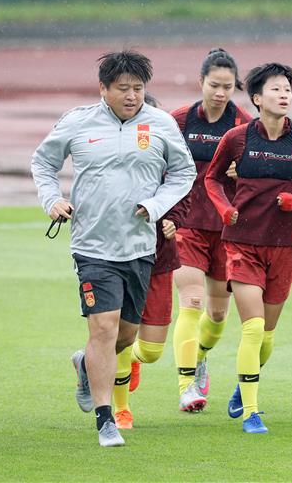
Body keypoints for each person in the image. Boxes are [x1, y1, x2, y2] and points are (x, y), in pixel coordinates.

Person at [31, 51, 196, 447]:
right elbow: (43, 163)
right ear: (103, 89)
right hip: (91, 245)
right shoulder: (78, 121)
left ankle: (85, 364)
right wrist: (52, 200)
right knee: (103, 328)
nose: (132, 96)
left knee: (124, 336)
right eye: (123, 88)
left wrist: (155, 205)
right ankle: (106, 420)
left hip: (139, 247)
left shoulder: (160, 124)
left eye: (138, 88)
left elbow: (184, 172)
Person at [204, 62, 292, 434]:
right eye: (275, 89)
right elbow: (212, 179)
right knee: (253, 327)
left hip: (285, 244)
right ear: (257, 98)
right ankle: (251, 412)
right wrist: (224, 209)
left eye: (287, 89)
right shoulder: (236, 138)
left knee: (267, 335)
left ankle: (244, 385)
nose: (284, 95)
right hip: (242, 243)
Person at [155, 48, 251, 412]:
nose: (220, 93)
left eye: (228, 86)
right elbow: (156, 165)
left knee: (218, 316)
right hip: (186, 225)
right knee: (192, 301)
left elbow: (262, 179)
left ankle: (199, 357)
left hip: (227, 229)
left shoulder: (245, 126)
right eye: (214, 85)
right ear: (201, 82)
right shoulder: (178, 121)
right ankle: (186, 387)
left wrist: (244, 173)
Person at [110, 94, 191, 429]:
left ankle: (120, 358)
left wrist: (174, 220)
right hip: (119, 257)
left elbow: (184, 192)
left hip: (159, 260)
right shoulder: (112, 156)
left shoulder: (170, 155)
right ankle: (120, 409)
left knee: (152, 351)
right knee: (118, 334)